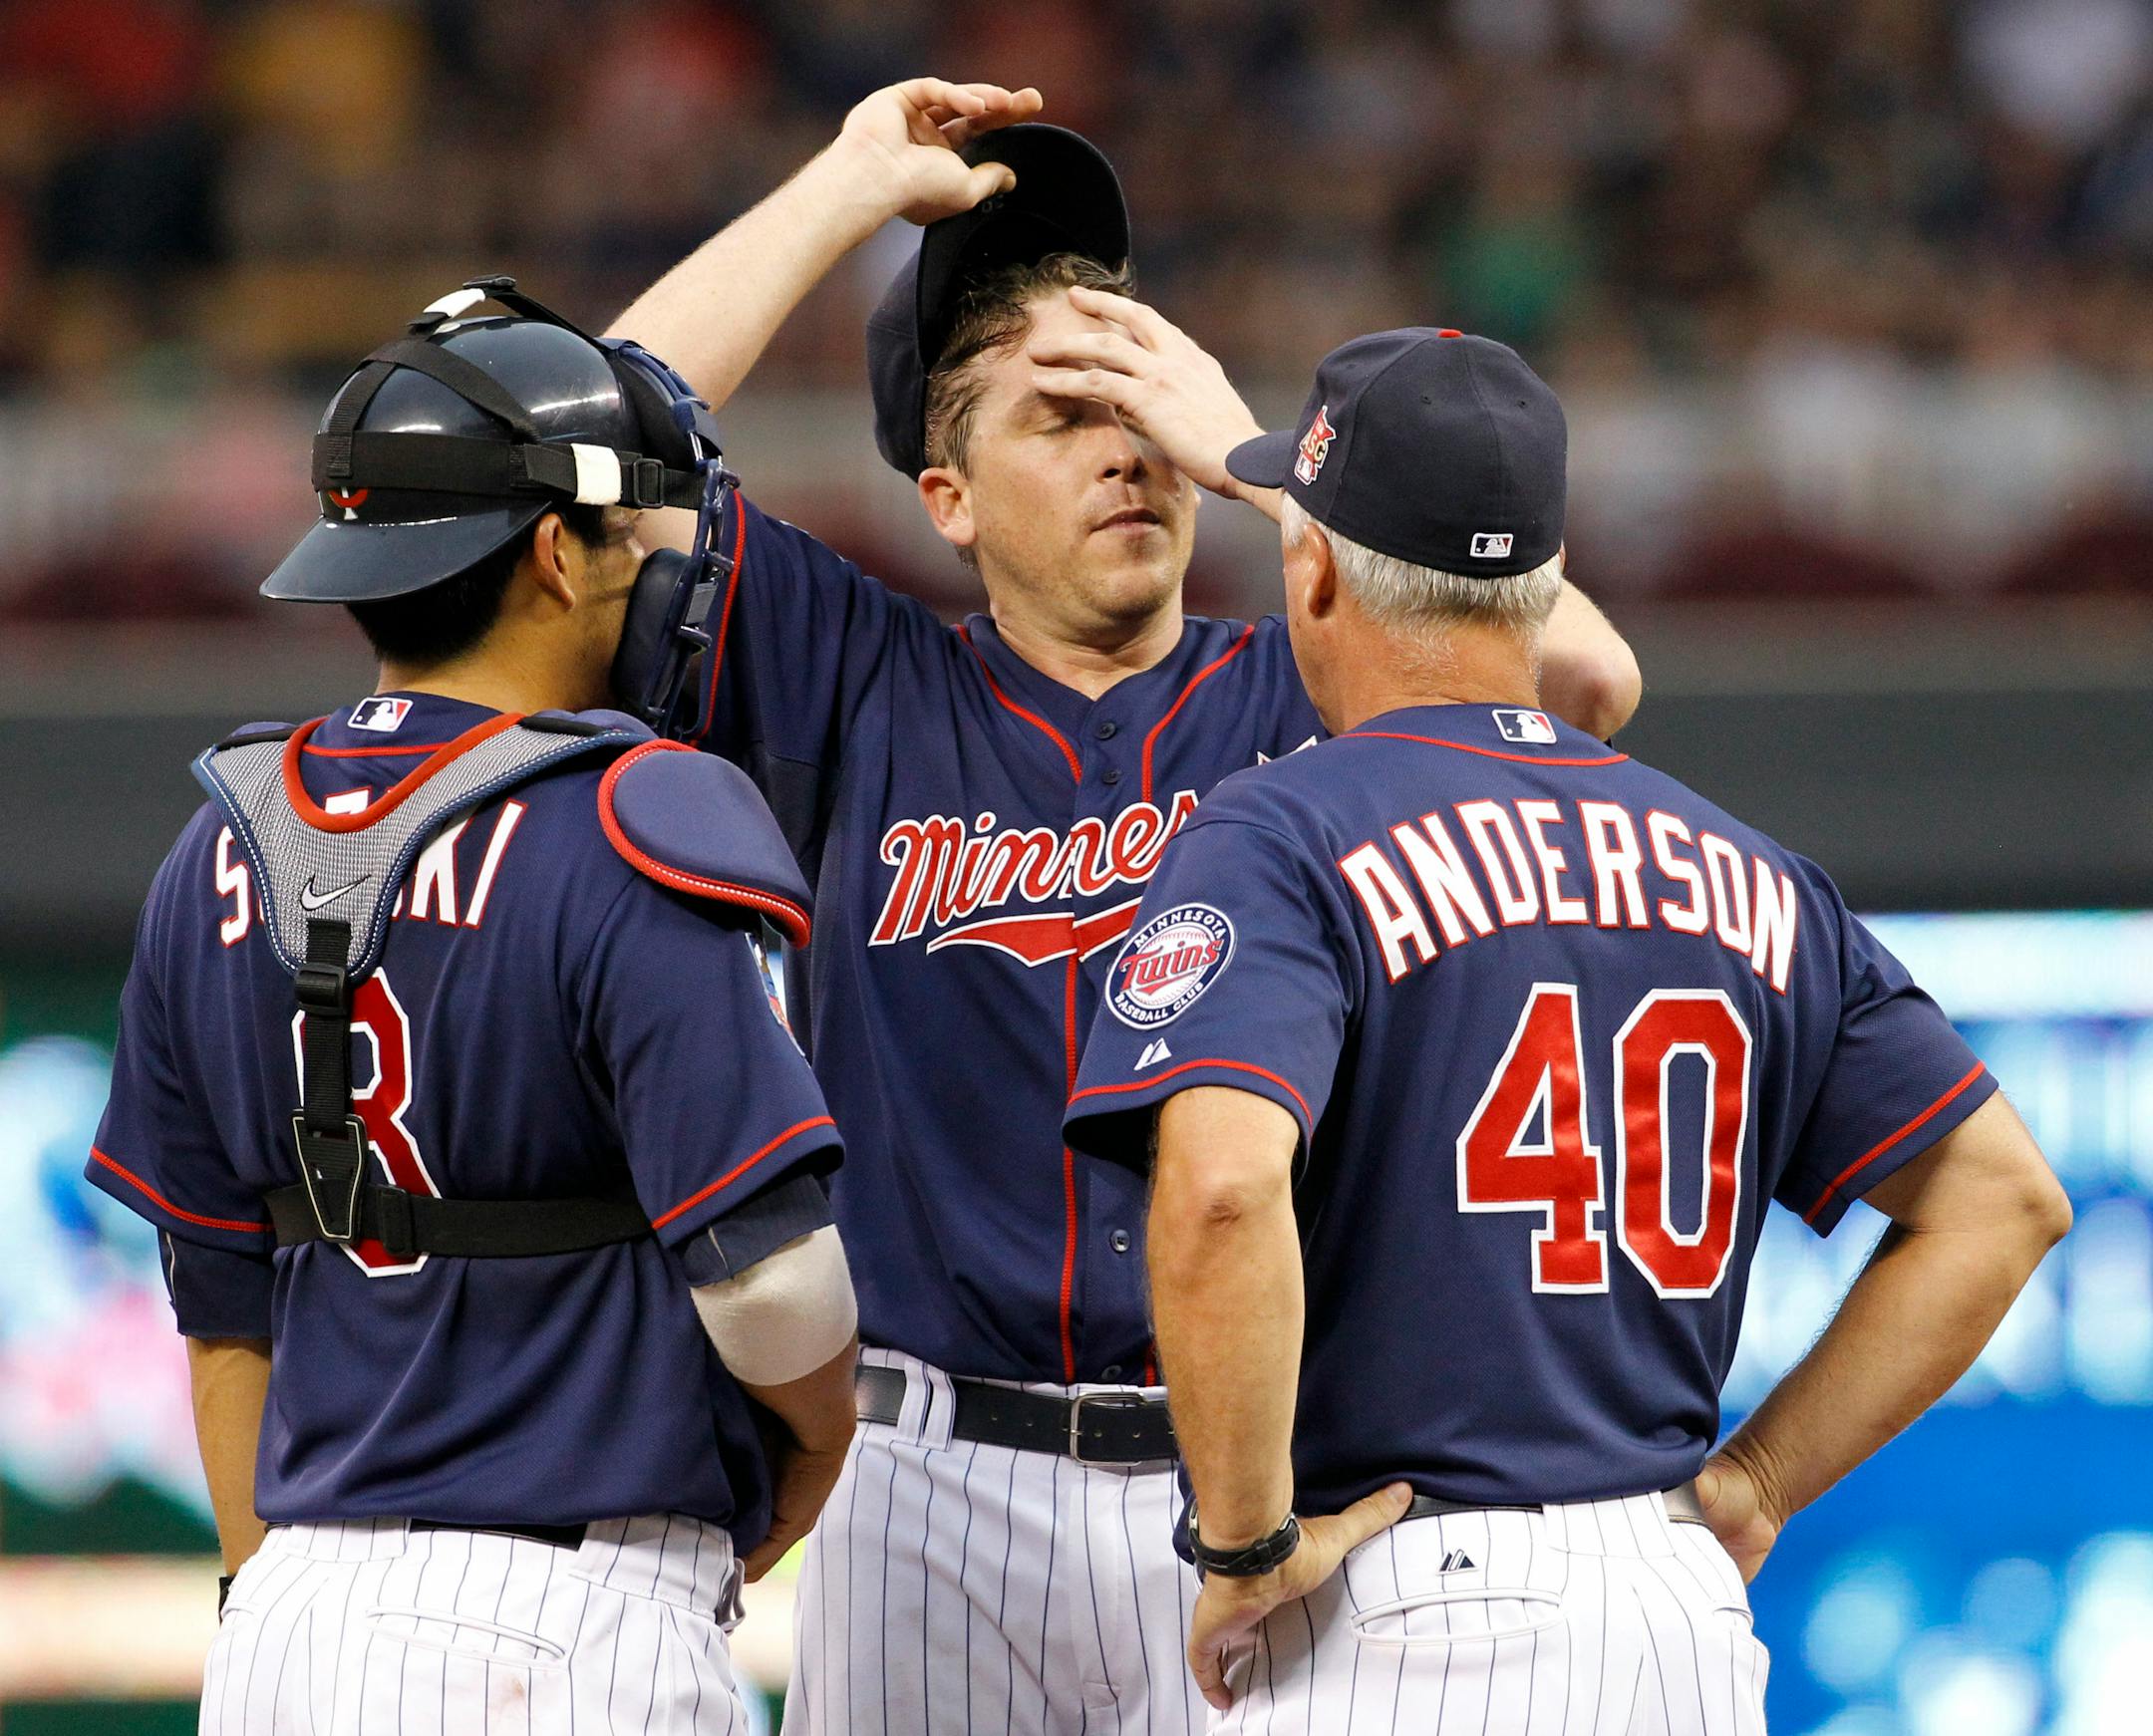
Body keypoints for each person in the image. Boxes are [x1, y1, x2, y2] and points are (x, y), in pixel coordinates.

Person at [607, 79, 1643, 1733]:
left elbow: (1582, 680)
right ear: (945, 498)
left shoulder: (1310, 689)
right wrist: (843, 187)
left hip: (1261, 1486)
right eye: (1056, 415)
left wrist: (1269, 463)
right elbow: (589, 454)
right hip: (929, 1483)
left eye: (1135, 406)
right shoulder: (853, 677)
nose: (1124, 455)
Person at [1064, 328, 2072, 1729]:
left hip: (1405, 1606)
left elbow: (1224, 1192)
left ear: (1315, 568)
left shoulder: (1285, 827)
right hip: (1671, 1612)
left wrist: (1242, 1545)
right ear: (1539, 588)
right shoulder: (1744, 860)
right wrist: (1759, 1480)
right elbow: (2004, 1200)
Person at [86, 283, 860, 1734]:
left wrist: (274, 1595)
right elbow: (774, 1287)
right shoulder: (633, 816)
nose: (652, 569)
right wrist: (815, 1455)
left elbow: (218, 1308)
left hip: (291, 1614)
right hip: (569, 1614)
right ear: (555, 553)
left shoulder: (219, 841)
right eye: (630, 534)